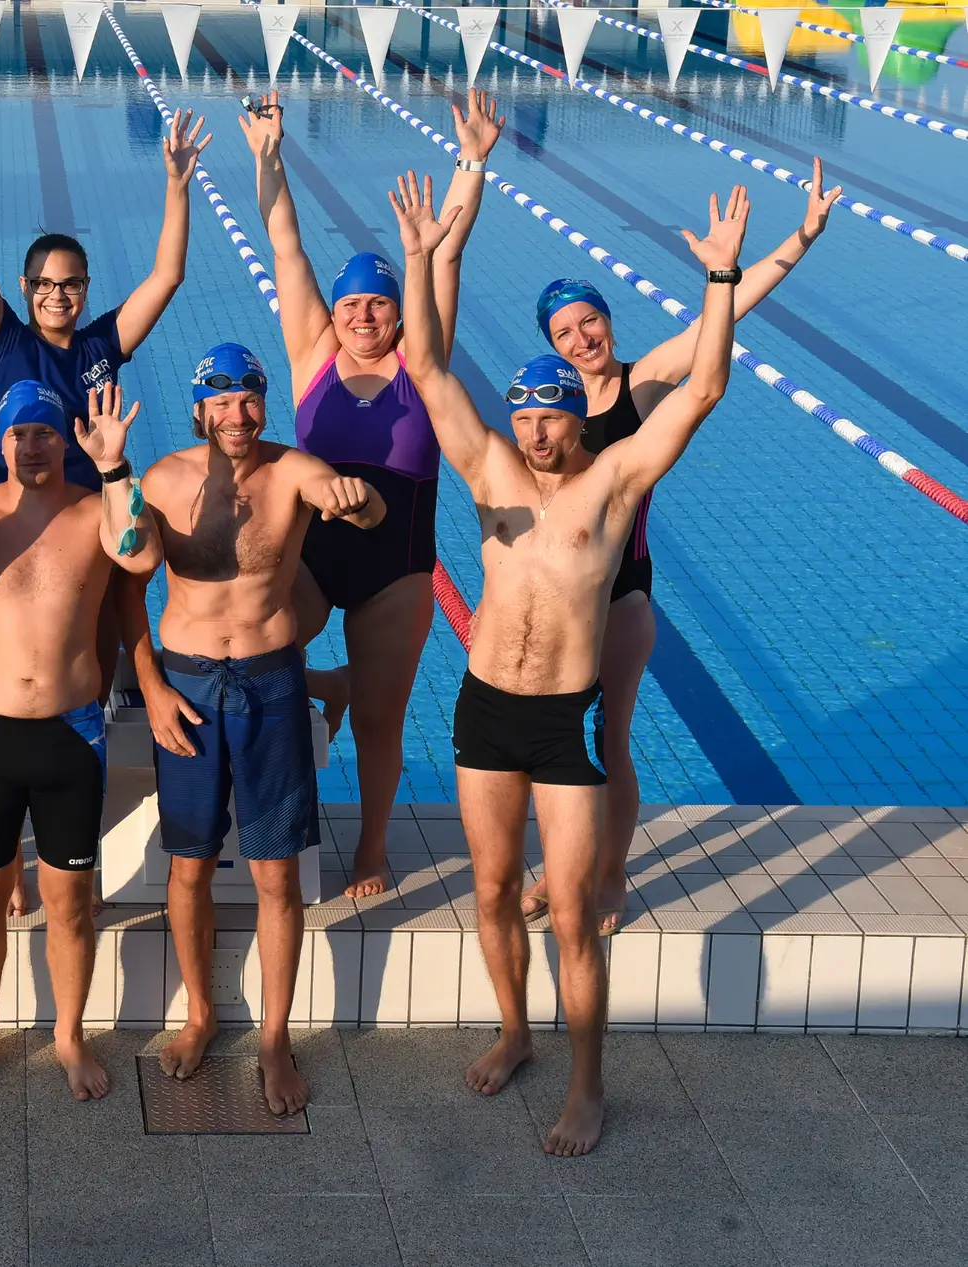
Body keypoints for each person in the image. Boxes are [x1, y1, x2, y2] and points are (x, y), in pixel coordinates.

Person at [390, 170, 748, 1155]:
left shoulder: (612, 486)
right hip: (484, 708)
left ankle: (588, 1084)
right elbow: (426, 364)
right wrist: (420, 259)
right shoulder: (491, 472)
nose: (537, 431)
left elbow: (703, 388)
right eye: (525, 415)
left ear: (577, 420)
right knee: (492, 888)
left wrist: (720, 280)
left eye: (551, 415)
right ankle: (515, 1032)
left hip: (565, 719)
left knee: (576, 917)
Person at [0, 76, 206, 913]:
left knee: (84, 686)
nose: (59, 295)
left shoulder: (102, 345)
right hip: (13, 537)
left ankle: (61, 852)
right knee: (14, 676)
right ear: (27, 290)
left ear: (85, 288)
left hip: (90, 532)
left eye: (72, 284)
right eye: (46, 284)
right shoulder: (2, 343)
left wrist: (177, 185)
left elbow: (168, 275)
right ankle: (13, 857)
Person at [522, 158, 842, 936]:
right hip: (562, 596)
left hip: (624, 593)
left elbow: (721, 323)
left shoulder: (644, 382)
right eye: (565, 332)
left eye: (589, 322)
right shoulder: (548, 406)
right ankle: (558, 866)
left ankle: (610, 874)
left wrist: (797, 238)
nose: (582, 338)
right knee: (551, 742)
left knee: (609, 739)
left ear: (607, 320)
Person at [240, 89, 504, 900]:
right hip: (314, 553)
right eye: (352, 303)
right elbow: (285, 244)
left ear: (397, 313)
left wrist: (470, 163)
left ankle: (371, 848)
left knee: (383, 722)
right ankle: (328, 684)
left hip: (398, 565)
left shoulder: (422, 361)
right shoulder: (312, 352)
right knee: (249, 648)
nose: (361, 316)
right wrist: (269, 160)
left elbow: (446, 257)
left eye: (377, 305)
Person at [128, 343, 385, 1115]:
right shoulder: (163, 480)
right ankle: (200, 1015)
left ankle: (275, 1039)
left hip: (271, 684)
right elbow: (125, 587)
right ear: (199, 408)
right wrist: (152, 687)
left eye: (249, 400)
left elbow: (365, 510)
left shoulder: (293, 471)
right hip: (188, 687)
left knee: (277, 875)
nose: (237, 415)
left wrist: (356, 497)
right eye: (221, 401)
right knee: (190, 867)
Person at [0, 380, 160, 1101]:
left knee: (70, 902)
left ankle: (69, 1035)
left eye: (44, 430)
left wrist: (115, 466)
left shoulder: (93, 509)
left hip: (71, 738)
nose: (31, 444)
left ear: (64, 437)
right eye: (18, 433)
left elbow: (140, 556)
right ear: (1, 441)